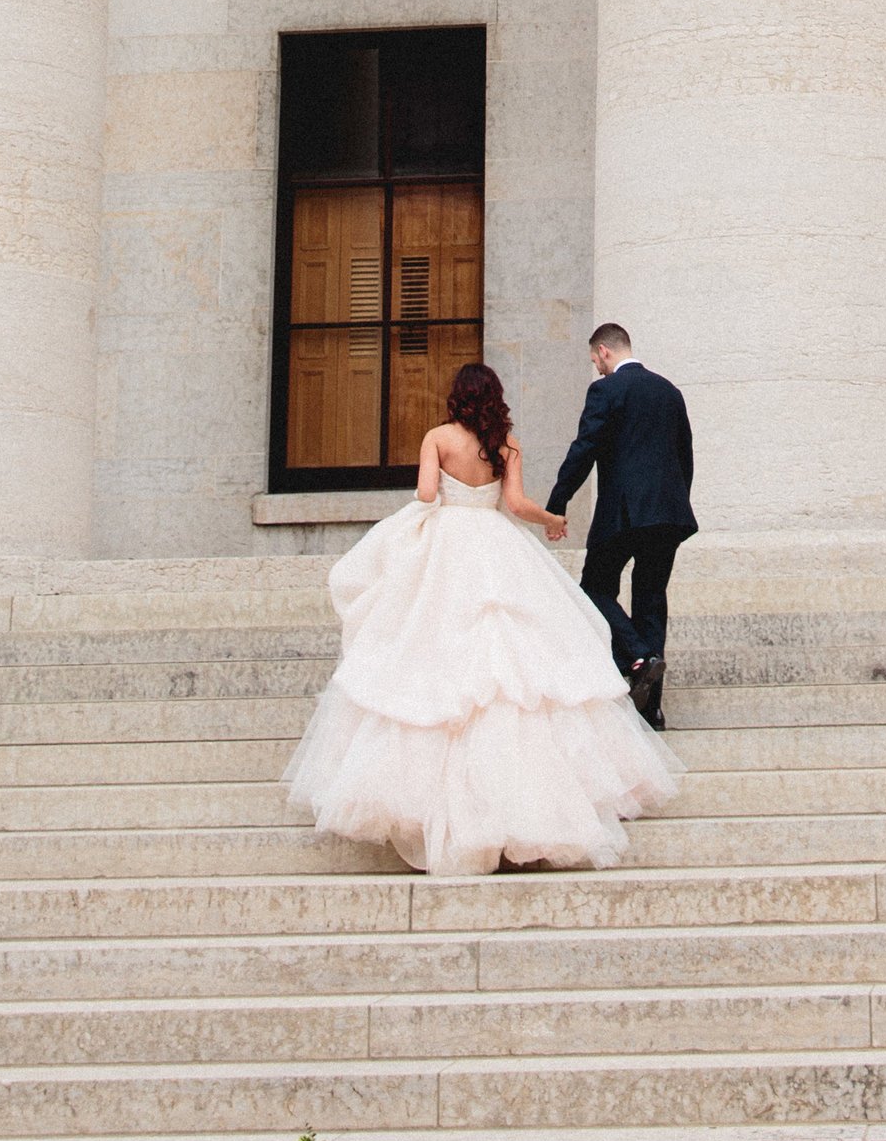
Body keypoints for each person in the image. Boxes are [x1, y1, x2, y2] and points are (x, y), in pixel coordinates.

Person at [282, 359, 678, 877]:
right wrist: (553, 519)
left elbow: (426, 495)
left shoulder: (437, 437)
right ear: (493, 397)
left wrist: (442, 490)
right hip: (497, 545)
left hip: (448, 542)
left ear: (456, 397)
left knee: (427, 653)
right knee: (519, 667)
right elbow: (515, 504)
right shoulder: (505, 443)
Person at [547, 324, 696, 732]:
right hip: (667, 515)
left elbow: (584, 449)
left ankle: (637, 660)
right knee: (651, 601)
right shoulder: (670, 392)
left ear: (603, 351)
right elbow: (685, 456)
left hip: (623, 514)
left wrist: (557, 504)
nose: (595, 367)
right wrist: (674, 503)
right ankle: (652, 709)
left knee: (594, 588)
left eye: (594, 360)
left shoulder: (606, 390)